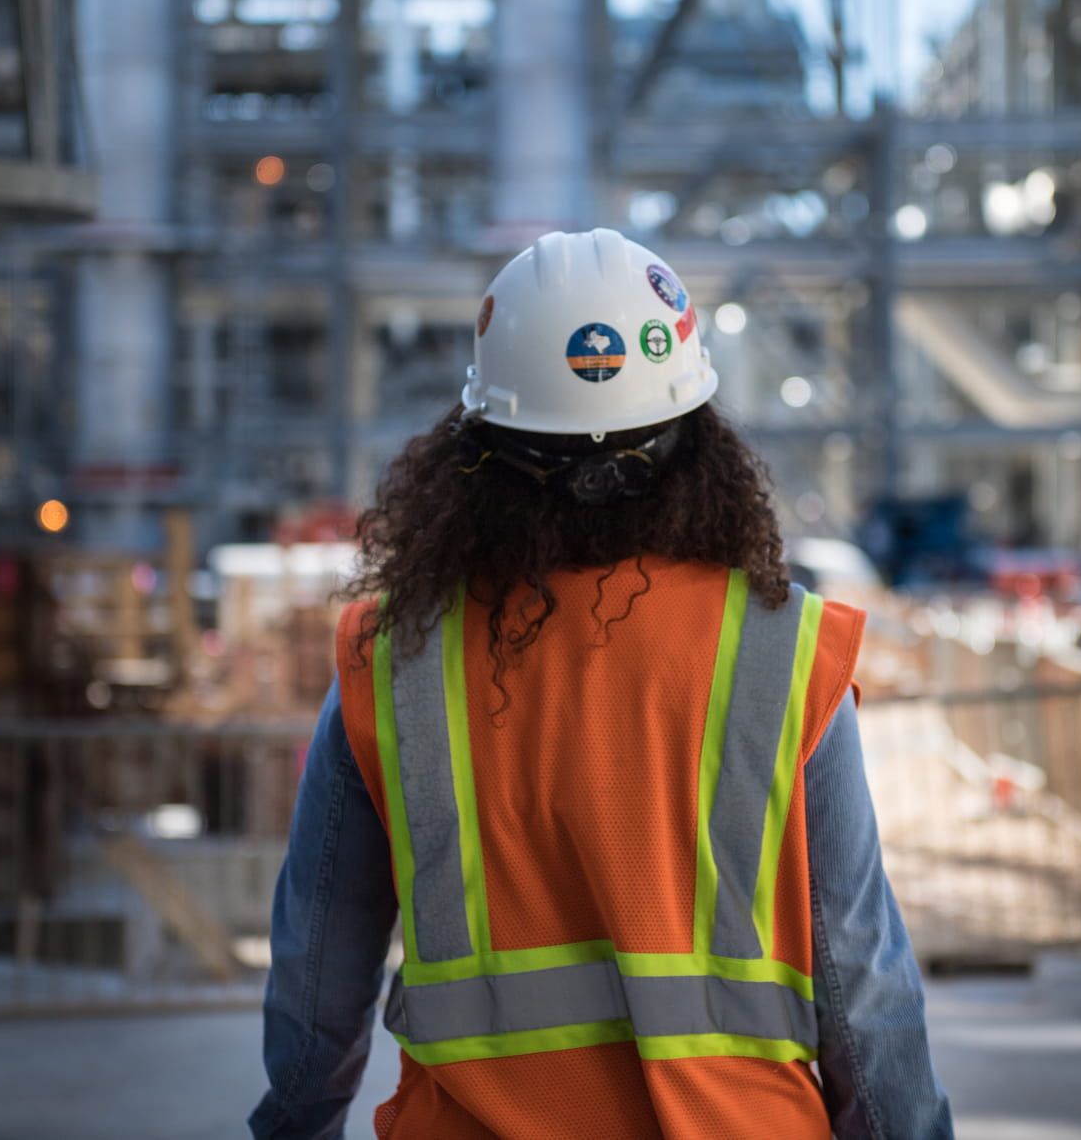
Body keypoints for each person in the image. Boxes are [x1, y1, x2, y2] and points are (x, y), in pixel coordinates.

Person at [251, 230, 953, 1139]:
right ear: (698, 440)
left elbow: (318, 976)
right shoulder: (785, 651)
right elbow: (862, 984)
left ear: (480, 449)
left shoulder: (392, 661)